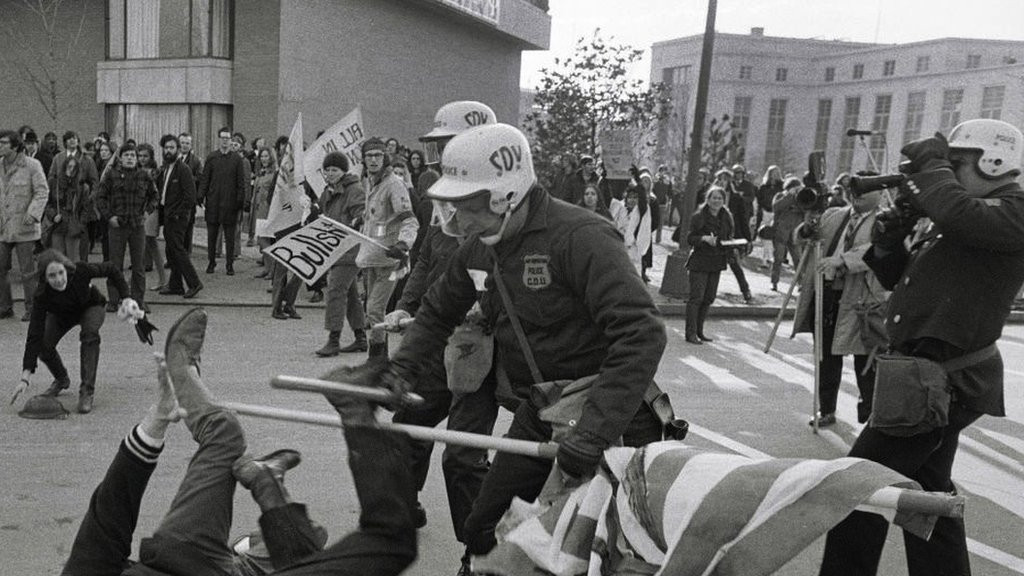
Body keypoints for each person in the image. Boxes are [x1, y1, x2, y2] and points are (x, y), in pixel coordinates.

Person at [384, 123, 667, 571]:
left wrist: (592, 433)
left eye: (465, 207)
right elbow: (438, 311)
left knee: (598, 556)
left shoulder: (581, 236)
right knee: (483, 524)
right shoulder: (480, 247)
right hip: (543, 409)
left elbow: (643, 334)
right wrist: (398, 370)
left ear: (505, 196)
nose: (456, 222)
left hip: (612, 416)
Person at [53, 307, 417, 576]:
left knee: (225, 432)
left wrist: (156, 421)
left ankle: (185, 383)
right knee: (313, 546)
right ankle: (267, 486)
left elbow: (104, 526)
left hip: (181, 557)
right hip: (191, 560)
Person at [818, 119, 1024, 576]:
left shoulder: (1012, 210)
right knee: (927, 498)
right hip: (925, 376)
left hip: (942, 378)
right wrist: (891, 237)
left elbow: (960, 214)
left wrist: (930, 169)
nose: (948, 173)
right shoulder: (966, 215)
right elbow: (898, 278)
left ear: (994, 160)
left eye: (956, 163)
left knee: (858, 489)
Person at [792, 184, 888, 425]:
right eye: (855, 189)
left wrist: (842, 260)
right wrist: (806, 228)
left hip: (861, 298)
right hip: (827, 293)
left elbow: (878, 250)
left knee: (864, 357)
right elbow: (803, 238)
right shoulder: (833, 214)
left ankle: (870, 414)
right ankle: (826, 410)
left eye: (866, 189)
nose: (859, 194)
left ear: (879, 193)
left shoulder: (885, 219)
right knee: (825, 355)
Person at [19, 249, 132, 413]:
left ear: (66, 268)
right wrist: (25, 377)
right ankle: (61, 379)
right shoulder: (41, 295)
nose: (58, 279)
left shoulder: (81, 270)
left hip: (90, 306)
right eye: (52, 276)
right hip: (62, 315)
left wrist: (126, 296)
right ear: (44, 278)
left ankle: (87, 391)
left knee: (89, 335)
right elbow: (34, 334)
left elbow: (111, 268)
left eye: (60, 272)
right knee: (43, 344)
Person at [354, 137, 419, 358]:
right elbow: (375, 219)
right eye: (369, 156)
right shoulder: (371, 182)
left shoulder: (394, 184)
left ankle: (377, 360)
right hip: (371, 256)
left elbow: (410, 220)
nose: (373, 160)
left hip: (391, 259)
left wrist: (403, 243)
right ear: (363, 159)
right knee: (372, 310)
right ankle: (377, 358)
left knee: (374, 310)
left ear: (385, 158)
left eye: (378, 155)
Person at [314, 151, 367, 357]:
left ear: (344, 171)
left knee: (335, 291)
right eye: (326, 170)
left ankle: (333, 339)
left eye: (334, 170)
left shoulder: (353, 190)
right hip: (335, 250)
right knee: (351, 294)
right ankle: (361, 337)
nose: (330, 173)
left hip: (349, 249)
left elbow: (361, 213)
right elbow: (323, 215)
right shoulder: (328, 190)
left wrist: (357, 220)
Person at [96, 143, 158, 312]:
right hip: (117, 226)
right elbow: (100, 198)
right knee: (115, 265)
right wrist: (109, 217)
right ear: (120, 158)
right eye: (127, 155)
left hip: (137, 226)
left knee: (139, 266)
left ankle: (138, 300)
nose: (130, 158)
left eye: (133, 155)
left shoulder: (144, 176)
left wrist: (147, 212)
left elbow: (154, 196)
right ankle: (114, 300)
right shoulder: (111, 175)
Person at [1, 128, 50, 321]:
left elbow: (42, 191)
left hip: (25, 226)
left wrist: (33, 213)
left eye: (3, 143)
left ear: (14, 146)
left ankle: (33, 308)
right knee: (0, 268)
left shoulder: (32, 165)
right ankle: (4, 306)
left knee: (28, 271)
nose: (0, 146)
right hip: (3, 226)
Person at [684, 186, 733, 344]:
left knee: (709, 298)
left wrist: (732, 244)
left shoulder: (726, 217)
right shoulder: (699, 216)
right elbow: (690, 238)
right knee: (696, 297)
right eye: (714, 198)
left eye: (719, 198)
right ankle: (690, 333)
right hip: (700, 260)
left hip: (717, 261)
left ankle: (699, 331)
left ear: (723, 200)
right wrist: (704, 239)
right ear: (708, 199)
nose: (716, 201)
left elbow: (728, 237)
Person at [157, 134, 203, 299]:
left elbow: (190, 196)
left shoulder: (183, 169)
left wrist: (178, 214)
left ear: (177, 149)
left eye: (172, 147)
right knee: (171, 252)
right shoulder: (165, 168)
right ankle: (175, 285)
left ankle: (194, 283)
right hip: (168, 216)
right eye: (166, 148)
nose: (168, 151)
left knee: (178, 251)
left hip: (178, 218)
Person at [199, 127, 246, 276]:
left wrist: (240, 202)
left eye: (227, 138)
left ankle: (229, 265)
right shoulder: (212, 157)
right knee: (212, 237)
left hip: (230, 204)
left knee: (230, 237)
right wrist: (201, 196)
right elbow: (205, 179)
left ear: (231, 140)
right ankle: (211, 262)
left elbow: (241, 183)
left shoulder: (237, 159)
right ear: (219, 139)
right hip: (213, 203)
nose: (225, 141)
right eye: (223, 138)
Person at [715, 168, 753, 302]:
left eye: (725, 179)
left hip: (730, 237)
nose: (722, 182)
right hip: (714, 235)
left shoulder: (736, 198)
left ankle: (746, 291)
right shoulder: (710, 196)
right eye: (720, 179)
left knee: (735, 264)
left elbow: (743, 219)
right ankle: (709, 292)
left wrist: (748, 239)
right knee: (711, 265)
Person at [46, 155, 90, 263]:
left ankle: (73, 280)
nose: (71, 170)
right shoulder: (54, 184)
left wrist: (80, 224)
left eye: (74, 168)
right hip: (57, 224)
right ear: (64, 167)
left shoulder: (83, 187)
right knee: (57, 258)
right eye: (69, 167)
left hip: (74, 226)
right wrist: (53, 215)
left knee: (73, 260)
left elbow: (86, 208)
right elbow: (47, 204)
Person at [137, 143, 168, 291]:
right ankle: (159, 279)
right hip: (138, 211)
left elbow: (155, 195)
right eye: (140, 156)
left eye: (145, 156)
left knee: (150, 244)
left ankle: (162, 279)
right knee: (144, 246)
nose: (142, 159)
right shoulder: (136, 170)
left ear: (151, 157)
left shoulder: (154, 173)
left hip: (150, 211)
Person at [770, 176, 805, 291]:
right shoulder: (781, 196)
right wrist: (789, 196)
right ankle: (774, 282)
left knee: (798, 259)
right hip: (781, 232)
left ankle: (801, 283)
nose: (797, 191)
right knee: (778, 258)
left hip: (795, 233)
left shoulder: (801, 198)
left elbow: (805, 209)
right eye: (795, 188)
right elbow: (776, 207)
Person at [251, 146, 278, 283]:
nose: (263, 159)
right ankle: (267, 268)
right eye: (262, 156)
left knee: (264, 240)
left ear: (271, 157)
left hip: (266, 210)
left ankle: (273, 269)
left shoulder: (274, 174)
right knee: (262, 241)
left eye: (266, 156)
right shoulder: (261, 172)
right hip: (257, 209)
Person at [619, 183, 651, 277]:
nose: (632, 200)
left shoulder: (640, 213)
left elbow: (643, 205)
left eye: (635, 197)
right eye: (630, 197)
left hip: (634, 251)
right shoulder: (621, 211)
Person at [756, 164, 784, 269]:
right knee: (764, 235)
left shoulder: (782, 186)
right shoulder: (764, 186)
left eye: (776, 172)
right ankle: (768, 259)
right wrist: (762, 208)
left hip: (777, 213)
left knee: (773, 236)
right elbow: (760, 198)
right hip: (766, 212)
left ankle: (769, 259)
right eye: (773, 172)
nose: (775, 175)